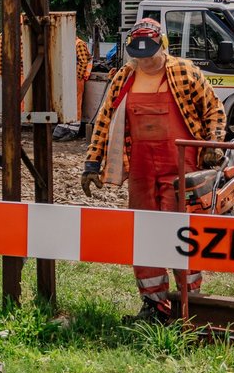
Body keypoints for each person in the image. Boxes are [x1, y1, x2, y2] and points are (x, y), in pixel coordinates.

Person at [81, 17, 226, 322]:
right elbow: (105, 121)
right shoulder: (124, 78)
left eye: (150, 55)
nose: (145, 61)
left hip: (181, 166)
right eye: (139, 56)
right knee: (144, 234)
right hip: (142, 170)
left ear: (163, 46)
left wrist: (213, 144)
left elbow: (213, 108)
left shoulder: (184, 73)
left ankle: (191, 303)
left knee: (182, 235)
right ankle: (154, 305)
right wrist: (93, 162)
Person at [74, 36, 93, 136]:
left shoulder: (78, 43)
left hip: (76, 78)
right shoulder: (74, 43)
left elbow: (83, 61)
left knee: (76, 102)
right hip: (73, 77)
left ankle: (74, 127)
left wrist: (78, 77)